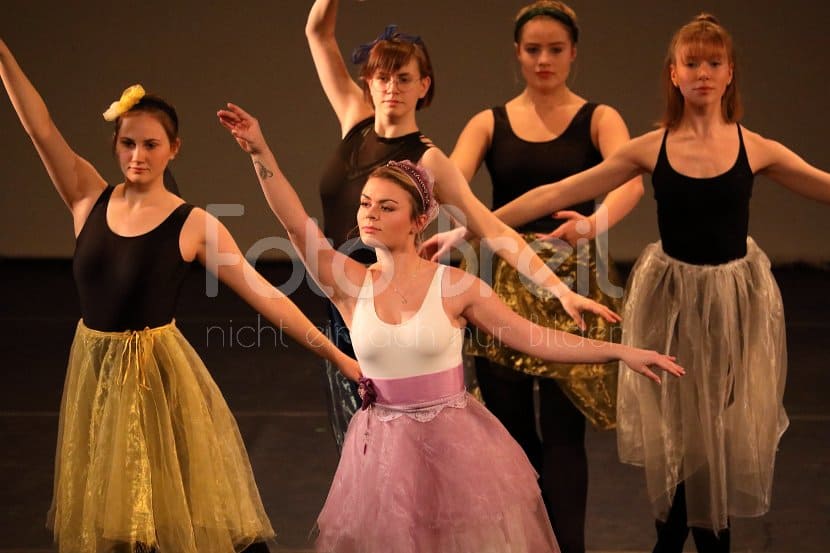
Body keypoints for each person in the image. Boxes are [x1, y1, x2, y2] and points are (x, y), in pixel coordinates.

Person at [217, 102, 684, 553]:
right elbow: (294, 223)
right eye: (365, 204)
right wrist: (260, 153)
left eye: (387, 207)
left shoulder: (456, 287)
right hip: (383, 455)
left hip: (455, 450)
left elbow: (533, 338)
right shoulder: (347, 282)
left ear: (419, 220)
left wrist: (619, 351)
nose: (370, 214)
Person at [0, 38, 360, 553]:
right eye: (128, 144)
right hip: (95, 373)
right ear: (115, 146)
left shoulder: (192, 224)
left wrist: (338, 356)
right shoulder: (86, 196)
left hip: (156, 378)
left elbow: (264, 294)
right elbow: (39, 128)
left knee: (173, 513)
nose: (138, 155)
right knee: (115, 518)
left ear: (174, 148)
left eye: (151, 144)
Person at [490, 13, 830, 553]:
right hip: (671, 302)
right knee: (684, 430)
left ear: (730, 73)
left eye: (714, 63)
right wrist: (471, 225)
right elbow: (555, 193)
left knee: (710, 428)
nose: (703, 73)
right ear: (674, 73)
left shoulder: (755, 147)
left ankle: (678, 538)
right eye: (692, 63)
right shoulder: (652, 147)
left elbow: (822, 184)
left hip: (731, 304)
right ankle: (683, 538)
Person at [305, 0, 619, 450]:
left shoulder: (430, 160)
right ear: (367, 83)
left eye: (404, 78)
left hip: (395, 306)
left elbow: (495, 230)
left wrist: (560, 290)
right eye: (382, 78)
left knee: (391, 438)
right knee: (355, 442)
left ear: (424, 85)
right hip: (344, 297)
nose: (391, 88)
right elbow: (318, 32)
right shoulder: (354, 120)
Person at [420, 3, 643, 551]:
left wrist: (593, 224)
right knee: (511, 430)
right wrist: (455, 227)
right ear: (517, 54)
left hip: (574, 282)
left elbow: (631, 180)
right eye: (533, 49)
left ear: (573, 53)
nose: (544, 60)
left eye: (555, 49)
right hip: (503, 282)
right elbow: (450, 184)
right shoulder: (488, 122)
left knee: (565, 435)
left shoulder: (599, 118)